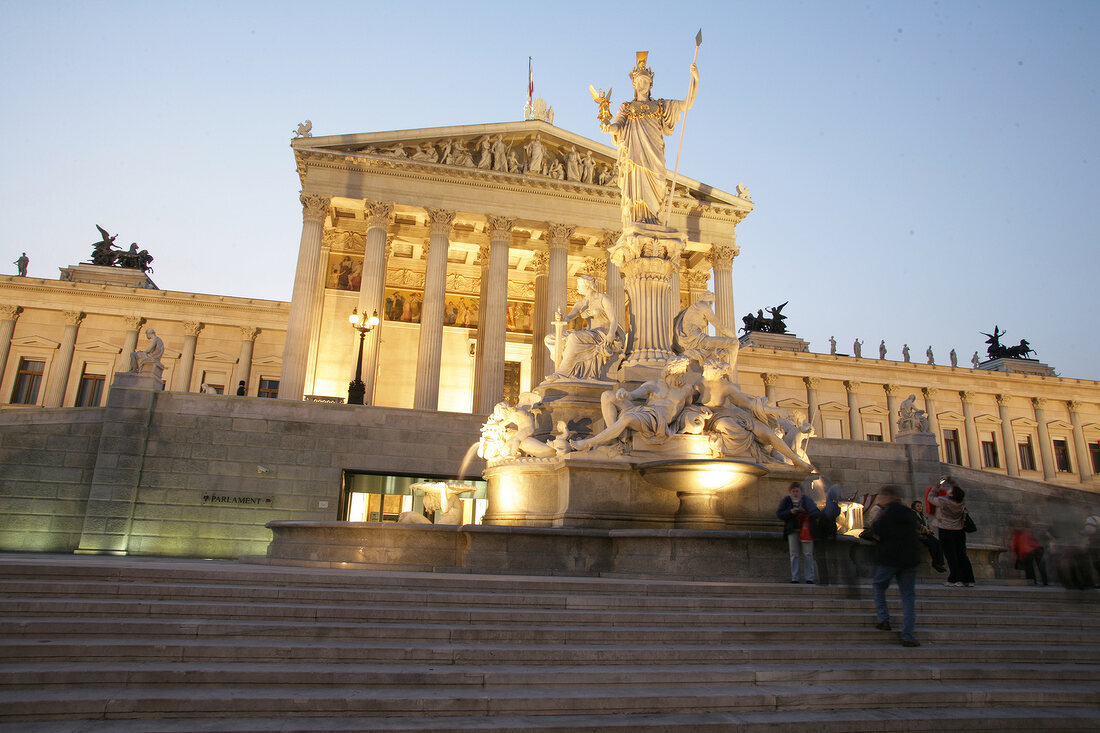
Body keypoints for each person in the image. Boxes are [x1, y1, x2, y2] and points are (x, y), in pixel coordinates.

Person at [603, 51, 698, 225]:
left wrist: (695, 80)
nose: (642, 85)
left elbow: (686, 104)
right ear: (634, 84)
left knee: (657, 187)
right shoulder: (626, 107)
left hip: (654, 155)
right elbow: (617, 126)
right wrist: (609, 127)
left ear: (650, 84)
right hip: (635, 155)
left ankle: (653, 220)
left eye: (645, 82)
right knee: (637, 192)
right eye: (639, 82)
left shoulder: (660, 106)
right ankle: (638, 220)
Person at [870, 485, 922, 647]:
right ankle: (908, 636)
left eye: (882, 496)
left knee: (878, 586)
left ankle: (884, 619)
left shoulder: (887, 512)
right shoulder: (909, 512)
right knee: (908, 597)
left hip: (890, 559)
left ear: (889, 497)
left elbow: (876, 529)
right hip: (910, 559)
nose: (880, 499)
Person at [544, 274, 621, 380]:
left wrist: (611, 334)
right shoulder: (581, 303)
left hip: (602, 334)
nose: (577, 287)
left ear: (587, 285)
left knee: (573, 338)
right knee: (550, 338)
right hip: (589, 333)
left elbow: (614, 319)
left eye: (579, 285)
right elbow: (569, 317)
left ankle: (562, 373)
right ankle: (567, 363)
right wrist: (561, 318)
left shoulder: (603, 298)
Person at [928, 477, 975, 587]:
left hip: (946, 530)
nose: (948, 490)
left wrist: (939, 483)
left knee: (951, 556)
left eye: (950, 490)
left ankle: (955, 579)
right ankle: (969, 579)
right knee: (962, 555)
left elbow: (931, 497)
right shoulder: (961, 502)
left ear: (952, 495)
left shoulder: (943, 501)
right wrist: (949, 480)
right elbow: (957, 488)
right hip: (959, 530)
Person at [777, 482, 821, 584]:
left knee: (808, 554)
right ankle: (795, 577)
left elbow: (816, 512)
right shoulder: (787, 501)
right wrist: (790, 512)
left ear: (801, 492)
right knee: (794, 554)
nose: (795, 493)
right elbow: (780, 514)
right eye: (794, 491)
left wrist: (806, 512)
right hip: (792, 530)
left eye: (797, 491)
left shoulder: (807, 500)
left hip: (806, 530)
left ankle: (809, 577)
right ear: (790, 492)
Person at [910, 500, 946, 573]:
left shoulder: (923, 516)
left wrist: (929, 530)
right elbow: (916, 525)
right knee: (931, 544)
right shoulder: (912, 514)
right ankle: (935, 562)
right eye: (918, 506)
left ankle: (939, 563)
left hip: (925, 533)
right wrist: (925, 530)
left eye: (921, 506)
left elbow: (926, 526)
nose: (920, 507)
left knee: (938, 543)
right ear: (914, 507)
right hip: (918, 535)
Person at [1010, 520, 1048, 586]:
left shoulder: (1017, 534)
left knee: (1029, 567)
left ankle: (1032, 582)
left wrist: (1017, 556)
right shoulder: (1027, 532)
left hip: (1028, 551)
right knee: (1040, 566)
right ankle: (1045, 581)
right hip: (1038, 549)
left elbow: (1014, 546)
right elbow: (1035, 541)